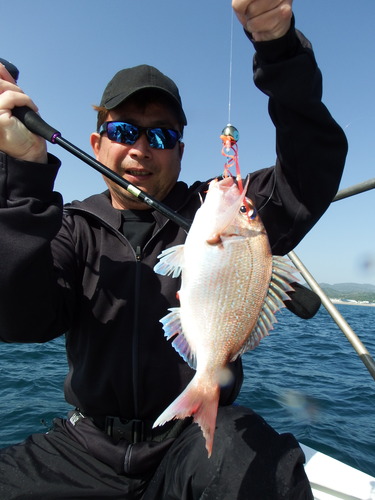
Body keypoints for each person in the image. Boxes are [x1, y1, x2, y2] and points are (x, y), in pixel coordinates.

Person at [0, 1, 347, 498]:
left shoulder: (229, 214)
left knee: (260, 471)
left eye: (161, 134)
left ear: (181, 151)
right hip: (85, 444)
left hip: (195, 443)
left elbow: (310, 169)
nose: (141, 148)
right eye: (123, 131)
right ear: (97, 143)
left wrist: (280, 48)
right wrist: (23, 171)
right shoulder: (67, 226)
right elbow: (17, 321)